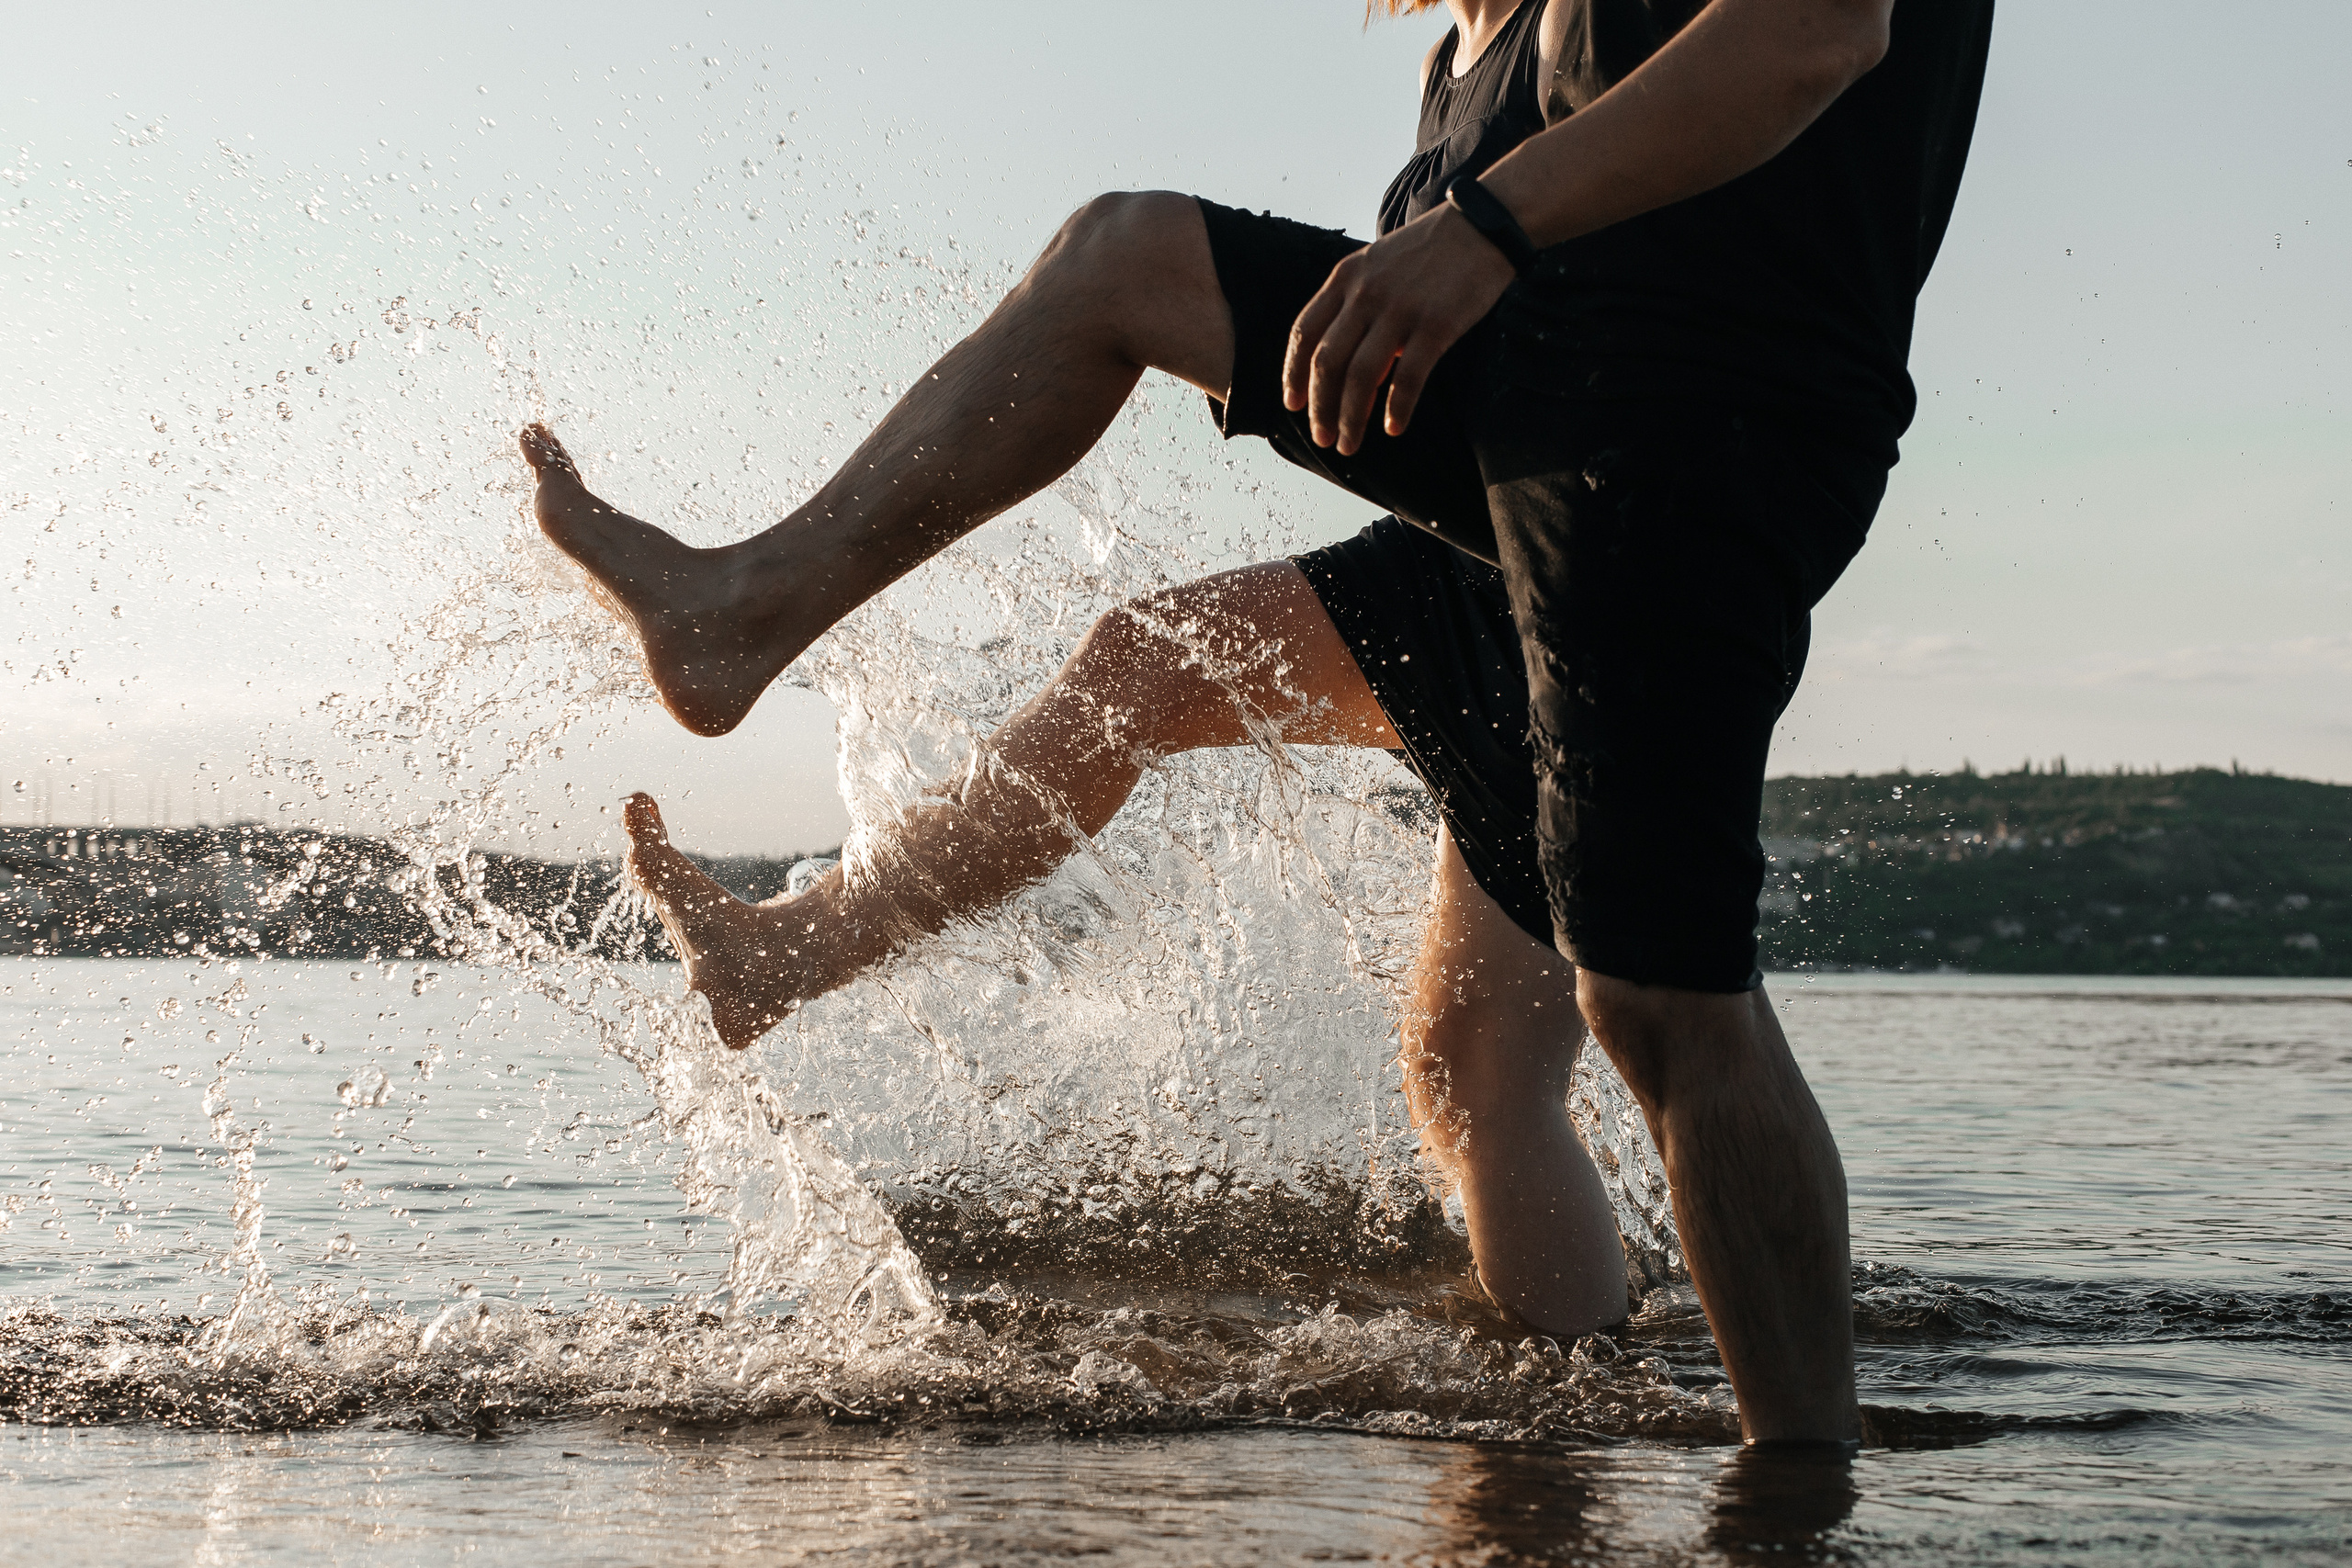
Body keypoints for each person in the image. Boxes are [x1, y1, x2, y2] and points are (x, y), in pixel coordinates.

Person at [522, 0, 1996, 1445]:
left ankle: (1804, 1487)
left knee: (1670, 1008)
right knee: (1461, 1042)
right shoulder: (1468, 56)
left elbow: (1820, 31)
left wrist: (1475, 232)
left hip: (1679, 451)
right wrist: (1452, 248)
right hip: (1515, 500)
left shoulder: (1575, 93)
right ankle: (1566, 1429)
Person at [616, 517, 1631, 1338]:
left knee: (1139, 667)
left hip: (1546, 536)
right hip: (1600, 546)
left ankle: (791, 948)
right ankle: (1574, 1408)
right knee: (1484, 1078)